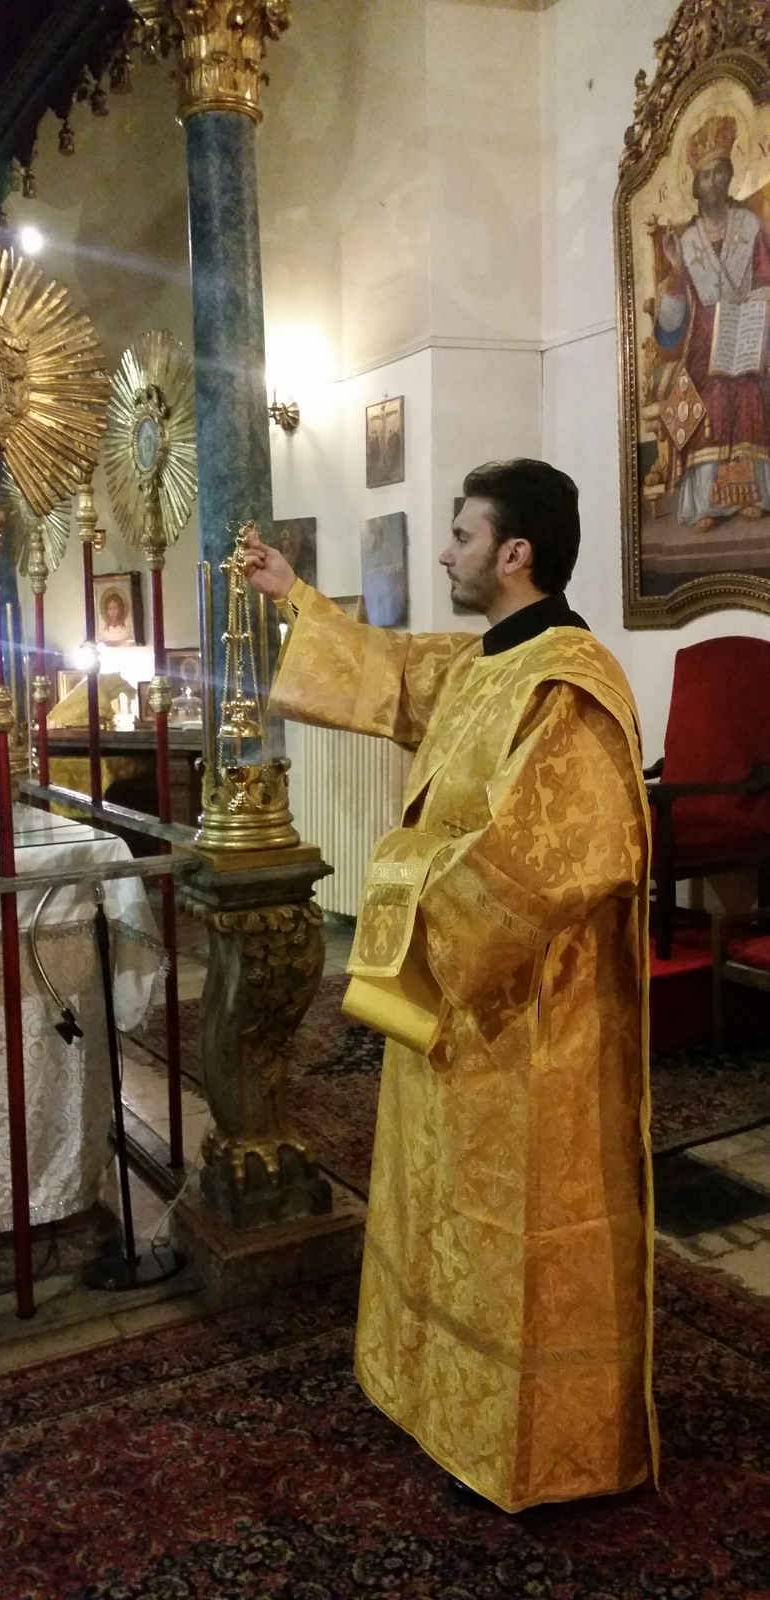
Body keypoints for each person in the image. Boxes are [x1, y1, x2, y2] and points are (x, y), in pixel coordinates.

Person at [245, 458, 657, 1514]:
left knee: (518, 1233)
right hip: (451, 995)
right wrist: (292, 596)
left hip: (529, 1017)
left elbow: (558, 858)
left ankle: (533, 1447)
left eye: (462, 536)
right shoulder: (489, 660)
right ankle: (431, 1392)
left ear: (515, 553)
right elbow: (390, 672)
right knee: (444, 1208)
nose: (443, 552)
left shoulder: (568, 685)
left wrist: (400, 887)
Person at [652, 113, 770, 529]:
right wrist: (675, 274)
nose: (714, 182)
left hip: (751, 334)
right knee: (713, 391)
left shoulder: (750, 226)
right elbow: (670, 326)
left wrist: (755, 307)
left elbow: (766, 280)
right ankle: (708, 504)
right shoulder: (686, 242)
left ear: (730, 175)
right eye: (705, 176)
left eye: (720, 172)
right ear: (696, 186)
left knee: (750, 388)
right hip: (704, 345)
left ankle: (753, 495)